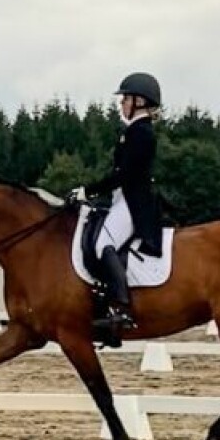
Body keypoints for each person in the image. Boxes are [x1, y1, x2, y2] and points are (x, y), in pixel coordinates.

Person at [68, 71, 164, 338]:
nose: (121, 104)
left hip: (135, 204)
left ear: (139, 101)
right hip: (123, 199)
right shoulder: (133, 131)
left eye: (125, 99)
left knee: (102, 244)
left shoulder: (141, 133)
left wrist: (88, 190)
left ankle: (121, 308)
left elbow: (124, 176)